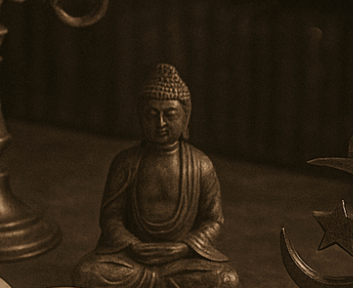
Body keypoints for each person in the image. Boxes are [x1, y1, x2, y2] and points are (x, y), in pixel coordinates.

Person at [73, 64, 238, 288]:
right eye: (152, 115)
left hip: (180, 260)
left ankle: (159, 280)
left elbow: (214, 220)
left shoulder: (201, 165)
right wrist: (132, 245)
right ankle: (159, 281)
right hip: (134, 259)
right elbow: (110, 216)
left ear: (185, 117)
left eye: (169, 115)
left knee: (226, 279)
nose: (160, 124)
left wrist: (185, 247)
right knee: (86, 272)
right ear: (141, 117)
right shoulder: (126, 162)